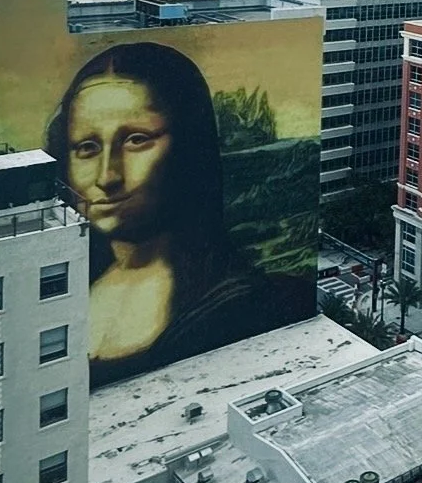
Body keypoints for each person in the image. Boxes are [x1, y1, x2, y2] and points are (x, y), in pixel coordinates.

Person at [47, 41, 284, 387]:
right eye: (87, 147)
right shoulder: (56, 284)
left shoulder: (236, 303)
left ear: (189, 146)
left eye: (136, 140)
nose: (107, 177)